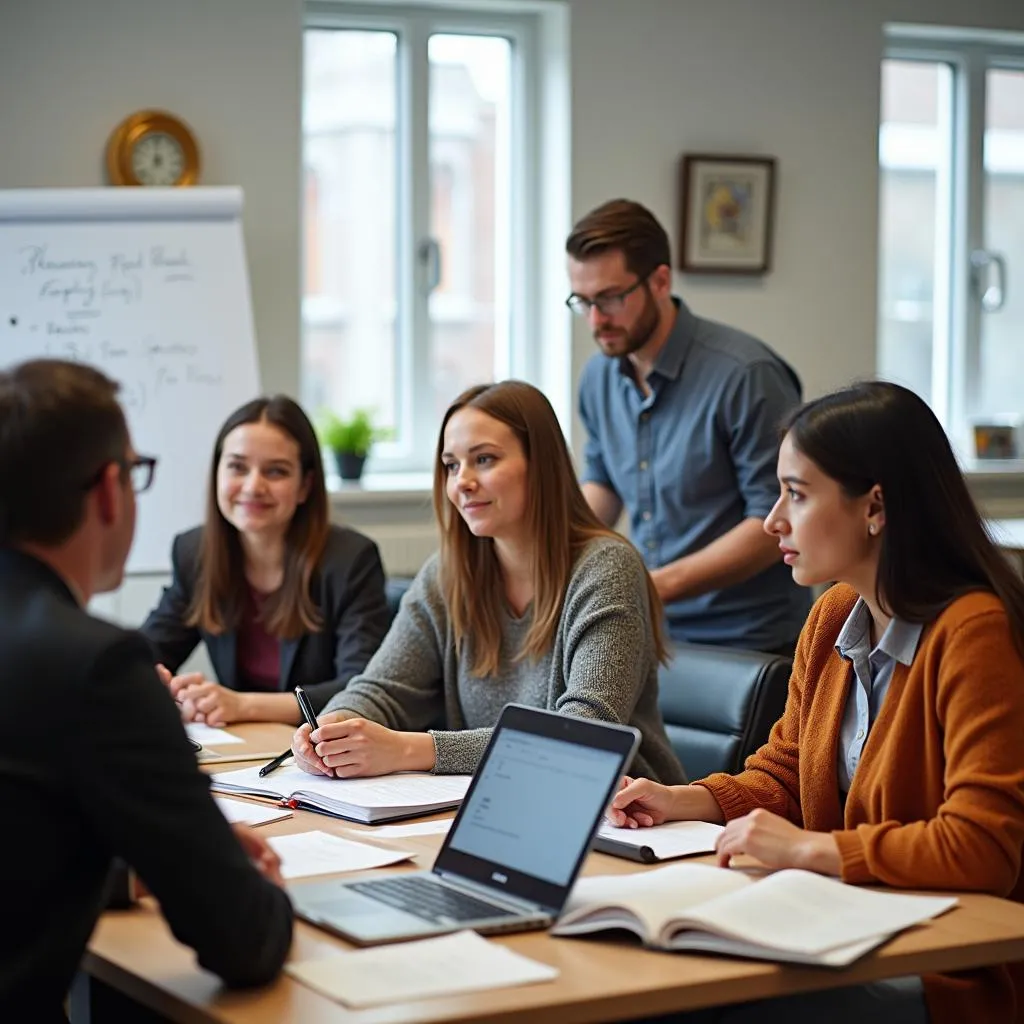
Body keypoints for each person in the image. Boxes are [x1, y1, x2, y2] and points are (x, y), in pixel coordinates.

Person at [607, 381, 1024, 1024]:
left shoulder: (974, 634)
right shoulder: (834, 614)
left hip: (947, 966)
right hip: (845, 923)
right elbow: (787, 771)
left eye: (796, 495)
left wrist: (810, 851)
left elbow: (982, 849)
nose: (774, 520)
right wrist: (683, 799)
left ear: (874, 508)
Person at [0, 360, 292, 1023]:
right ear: (109, 491)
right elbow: (243, 940)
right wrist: (230, 876)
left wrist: (135, 867)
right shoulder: (97, 666)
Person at [291, 380, 685, 785]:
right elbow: (381, 689)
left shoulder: (607, 568)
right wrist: (336, 726)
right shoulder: (448, 573)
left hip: (624, 818)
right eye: (451, 465)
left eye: (484, 459)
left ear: (542, 465)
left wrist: (409, 749)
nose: (462, 481)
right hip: (494, 802)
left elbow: (582, 738)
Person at [567, 198, 810, 655]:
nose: (597, 321)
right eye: (583, 302)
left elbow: (773, 522)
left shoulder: (745, 374)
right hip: (654, 628)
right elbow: (602, 485)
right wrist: (550, 557)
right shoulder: (599, 376)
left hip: (748, 641)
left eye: (611, 298)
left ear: (660, 280)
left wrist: (649, 587)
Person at [140, 395, 390, 725]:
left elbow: (362, 689)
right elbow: (150, 650)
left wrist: (242, 705)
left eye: (276, 471)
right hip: (244, 750)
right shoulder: (194, 552)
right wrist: (145, 676)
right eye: (237, 467)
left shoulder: (351, 560)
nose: (253, 486)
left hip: (322, 749)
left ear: (305, 486)